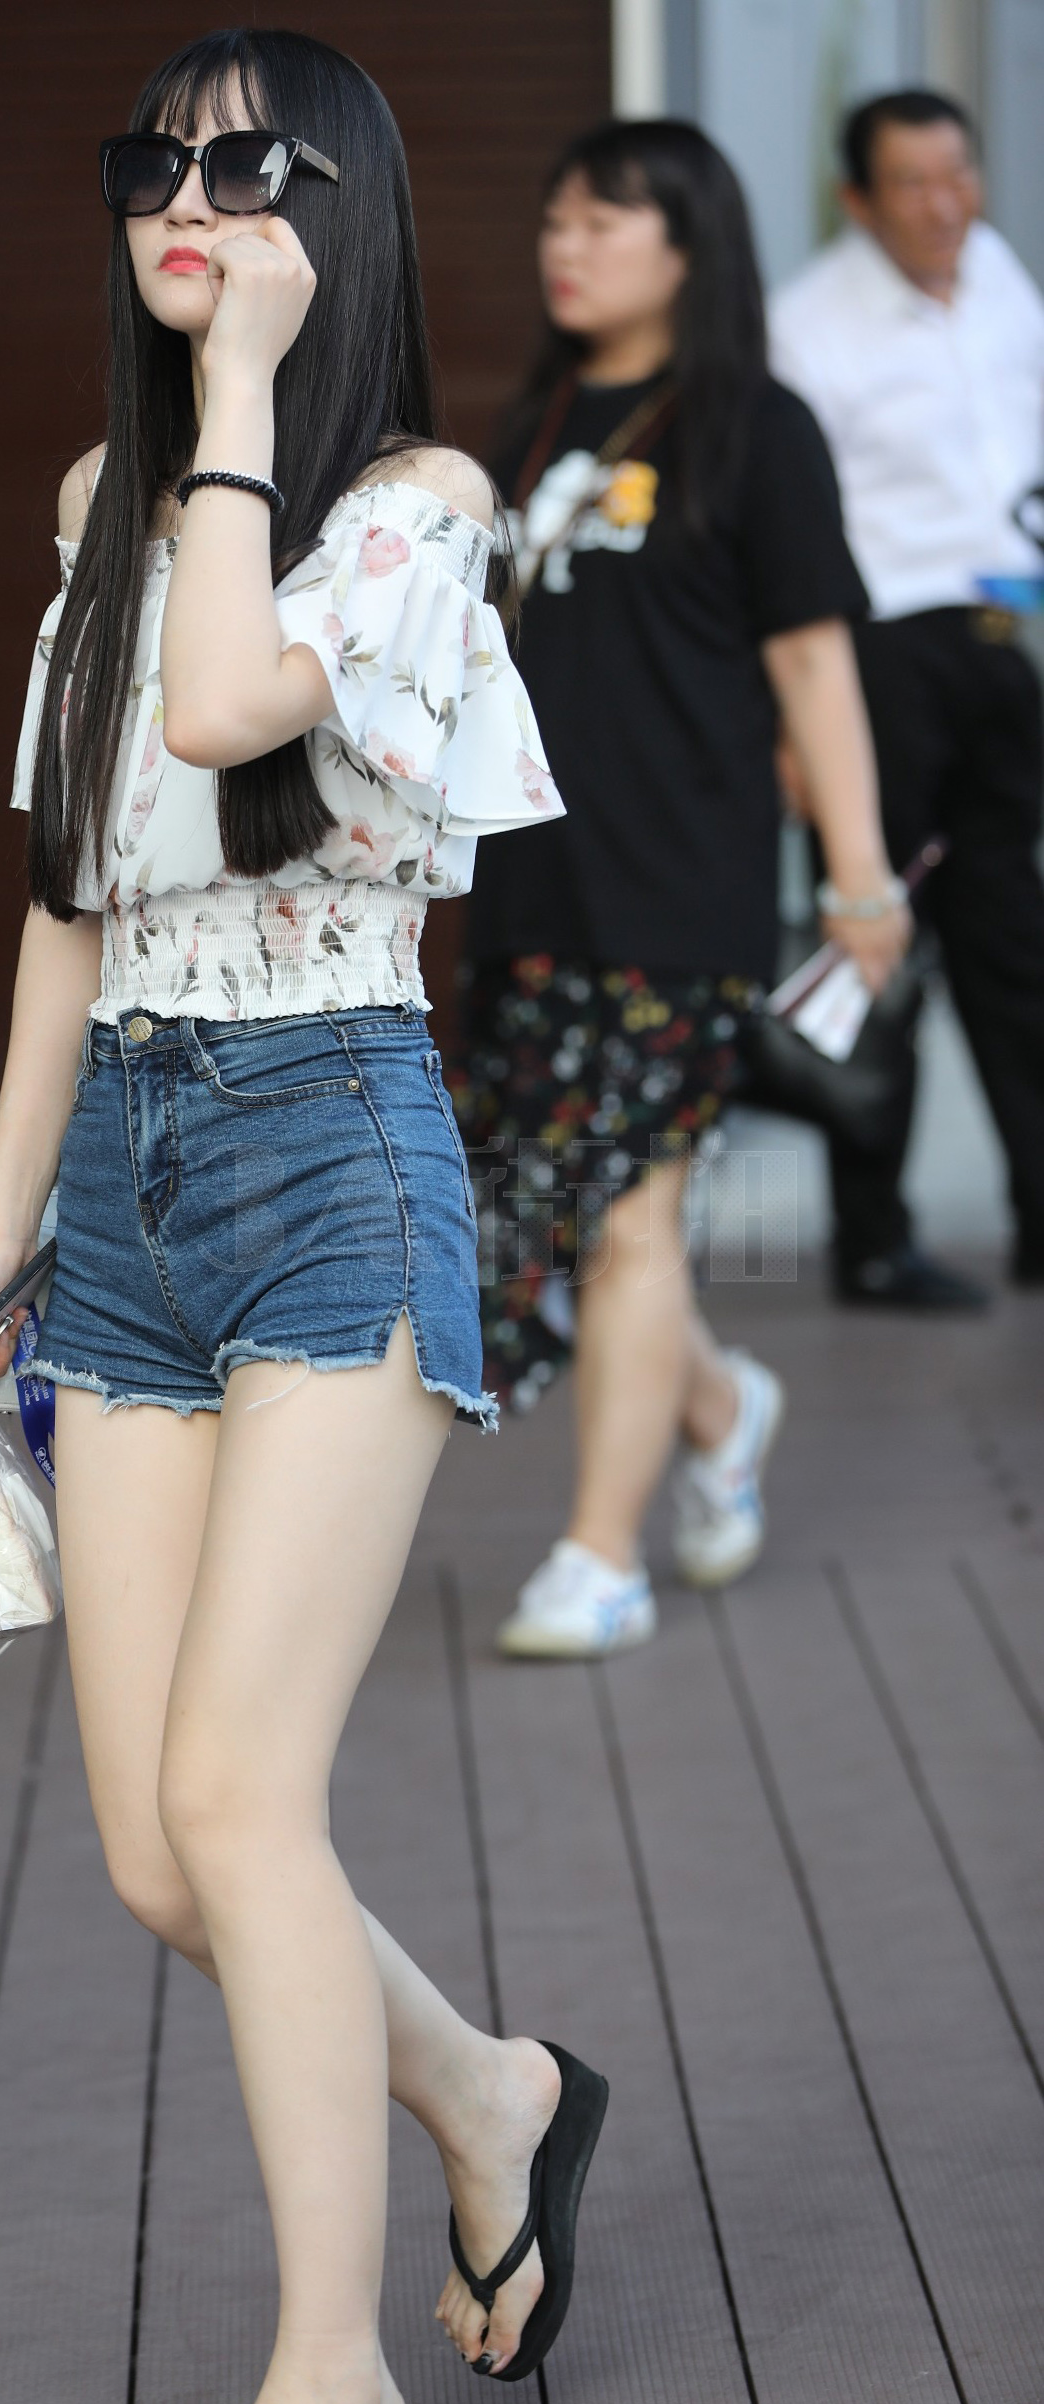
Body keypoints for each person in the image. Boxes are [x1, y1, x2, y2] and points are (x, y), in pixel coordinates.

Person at [0, 30, 606, 2404]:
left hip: (333, 1148)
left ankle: (330, 2380)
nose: (185, 200)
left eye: (243, 165)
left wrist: (228, 402)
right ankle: (493, 2093)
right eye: (155, 164)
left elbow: (224, 710)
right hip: (124, 1175)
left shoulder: (417, 505)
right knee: (152, 1852)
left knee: (238, 1797)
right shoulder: (100, 502)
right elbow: (70, 888)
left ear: (346, 212)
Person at [461, 120, 910, 1661]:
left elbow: (811, 661)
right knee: (557, 1208)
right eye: (553, 219)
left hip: (679, 887)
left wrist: (856, 874)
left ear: (686, 245)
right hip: (529, 885)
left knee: (627, 1214)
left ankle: (600, 1558)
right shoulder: (528, 425)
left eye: (601, 221)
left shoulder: (754, 427)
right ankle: (718, 1408)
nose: (563, 246)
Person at [770, 89, 1044, 1308]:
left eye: (957, 176)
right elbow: (784, 543)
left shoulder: (998, 275)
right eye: (913, 184)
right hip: (876, 660)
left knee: (1012, 940)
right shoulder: (806, 326)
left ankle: (1039, 1212)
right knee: (875, 944)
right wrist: (793, 727)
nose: (944, 206)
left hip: (994, 641)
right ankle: (873, 1238)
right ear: (857, 199)